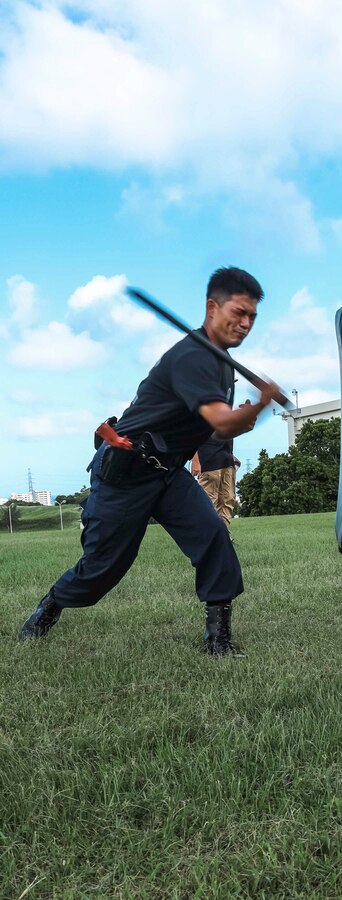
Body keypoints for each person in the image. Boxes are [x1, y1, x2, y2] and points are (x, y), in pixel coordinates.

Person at [19, 267, 279, 655]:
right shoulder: (192, 357)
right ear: (212, 307)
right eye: (238, 312)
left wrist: (249, 413)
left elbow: (220, 432)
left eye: (252, 317)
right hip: (125, 472)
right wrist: (258, 405)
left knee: (213, 536)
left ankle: (217, 639)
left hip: (168, 473)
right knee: (103, 568)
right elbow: (223, 421)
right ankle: (51, 605)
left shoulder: (221, 363)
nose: (245, 324)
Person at [190, 438, 241, 529]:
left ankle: (223, 536)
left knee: (228, 500)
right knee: (207, 504)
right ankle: (205, 537)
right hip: (208, 462)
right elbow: (191, 432)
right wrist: (195, 460)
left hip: (227, 460)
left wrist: (229, 454)